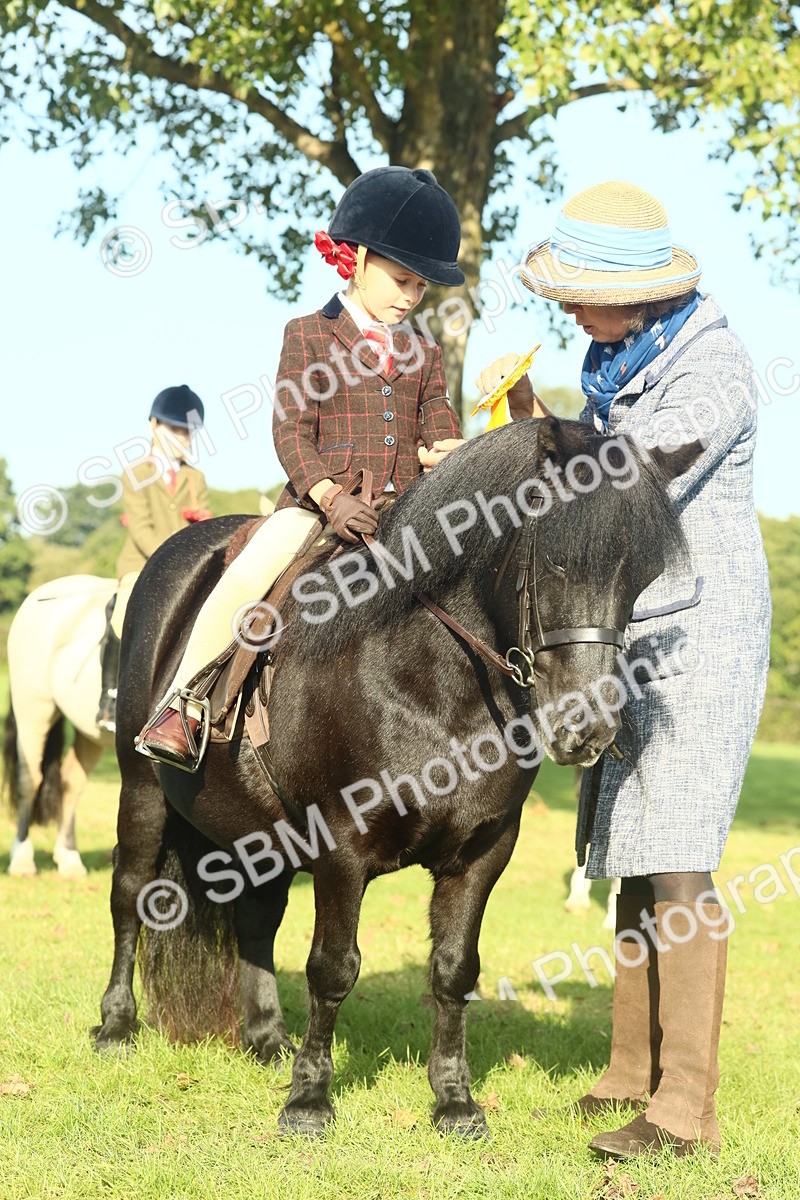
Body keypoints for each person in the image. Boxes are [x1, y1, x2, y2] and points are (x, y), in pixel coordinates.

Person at [476, 180, 770, 1159]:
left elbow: (620, 479)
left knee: (677, 857)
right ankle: (627, 1070)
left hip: (700, 639)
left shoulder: (713, 371)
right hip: (628, 632)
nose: (568, 312)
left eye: (579, 295)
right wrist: (530, 419)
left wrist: (521, 441)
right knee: (631, 850)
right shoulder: (623, 362)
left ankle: (685, 1110)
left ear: (632, 292)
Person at [136, 166, 471, 769]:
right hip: (318, 508)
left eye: (421, 287)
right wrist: (329, 495)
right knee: (247, 575)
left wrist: (445, 453)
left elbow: (438, 423)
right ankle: (183, 705)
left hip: (407, 509)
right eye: (401, 280)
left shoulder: (424, 350)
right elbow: (290, 429)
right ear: (359, 259)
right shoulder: (309, 334)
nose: (410, 297)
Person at [96, 385, 211, 732]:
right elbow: (141, 529)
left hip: (188, 568)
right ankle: (110, 697)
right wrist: (175, 559)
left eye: (187, 431)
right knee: (122, 613)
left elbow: (205, 524)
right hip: (141, 564)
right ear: (154, 425)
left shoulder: (195, 478)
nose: (183, 438)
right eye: (175, 429)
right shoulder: (135, 474)